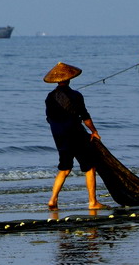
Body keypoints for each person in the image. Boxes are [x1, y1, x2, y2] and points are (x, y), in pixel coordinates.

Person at [44, 62, 108, 210]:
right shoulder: (76, 95)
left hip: (58, 134)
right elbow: (85, 117)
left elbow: (49, 118)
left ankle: (53, 199)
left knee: (64, 168)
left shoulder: (49, 97)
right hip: (75, 133)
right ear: (70, 78)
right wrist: (94, 131)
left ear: (57, 80)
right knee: (89, 167)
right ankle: (93, 202)